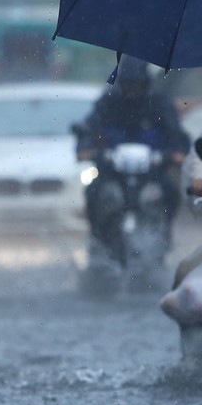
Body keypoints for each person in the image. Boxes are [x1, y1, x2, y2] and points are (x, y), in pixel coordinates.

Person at [77, 57, 190, 256]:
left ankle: (165, 235)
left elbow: (176, 133)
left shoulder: (159, 102)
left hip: (152, 171)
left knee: (170, 191)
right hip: (112, 172)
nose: (132, 90)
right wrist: (86, 147)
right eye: (128, 85)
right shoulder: (108, 101)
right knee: (93, 191)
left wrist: (177, 152)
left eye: (136, 85)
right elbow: (89, 129)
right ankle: (97, 235)